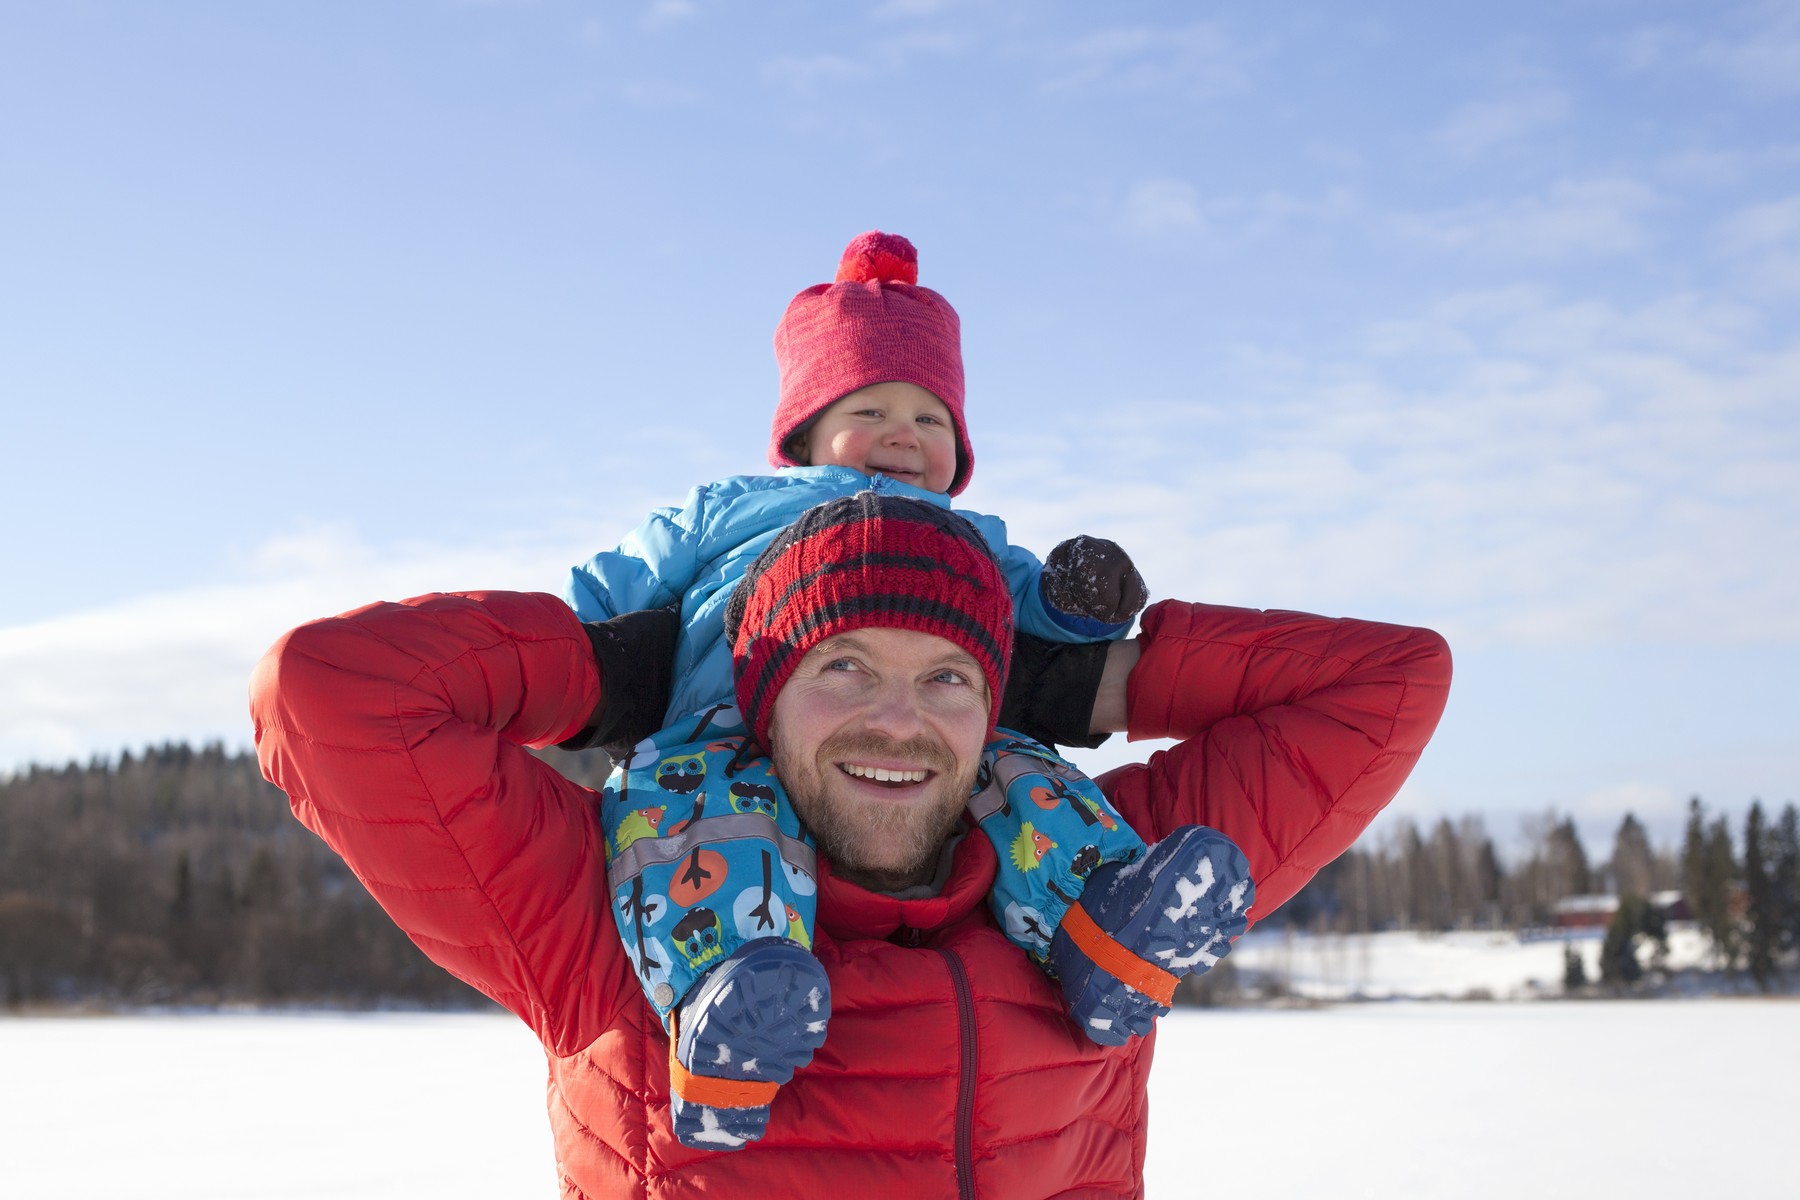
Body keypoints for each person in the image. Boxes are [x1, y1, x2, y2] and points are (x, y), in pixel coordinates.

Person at [250, 491, 1452, 1197]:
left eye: (946, 679)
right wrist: (606, 670)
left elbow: (1389, 683)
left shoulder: (1104, 874)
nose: (899, 718)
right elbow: (328, 693)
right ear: (759, 700)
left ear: (997, 711)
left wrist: (1091, 679)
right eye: (843, 669)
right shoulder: (608, 908)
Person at [559, 231, 1251, 1147]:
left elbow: (1028, 608)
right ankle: (724, 1015)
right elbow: (621, 582)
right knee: (697, 829)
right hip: (720, 733)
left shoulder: (967, 537)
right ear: (801, 432)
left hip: (918, 737)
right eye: (872, 407)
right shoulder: (731, 508)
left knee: (1023, 778)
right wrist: (564, 649)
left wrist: (1074, 600)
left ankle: (1102, 930)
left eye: (931, 420)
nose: (904, 434)